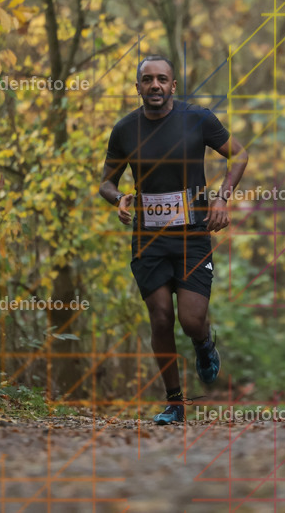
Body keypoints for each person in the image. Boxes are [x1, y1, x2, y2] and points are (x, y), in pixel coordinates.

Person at [99, 55, 248, 425]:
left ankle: (203, 344)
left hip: (193, 234)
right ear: (137, 87)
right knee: (161, 317)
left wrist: (222, 197)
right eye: (147, 80)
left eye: (162, 79)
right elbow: (106, 181)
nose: (155, 86)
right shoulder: (125, 130)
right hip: (148, 238)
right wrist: (119, 199)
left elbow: (239, 155)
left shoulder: (197, 119)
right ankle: (175, 402)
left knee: (191, 320)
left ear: (172, 85)